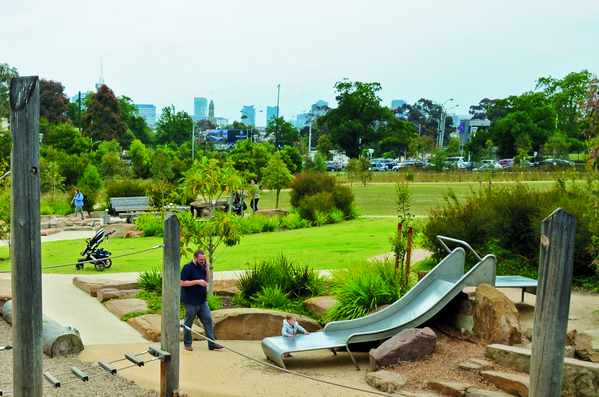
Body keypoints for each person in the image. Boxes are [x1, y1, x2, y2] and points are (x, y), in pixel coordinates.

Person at [180, 249, 223, 351]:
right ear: (195, 258)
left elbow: (207, 280)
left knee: (208, 320)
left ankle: (212, 343)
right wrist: (197, 282)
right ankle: (188, 343)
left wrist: (207, 269)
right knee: (188, 323)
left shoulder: (203, 266)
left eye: (204, 260)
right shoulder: (188, 267)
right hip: (190, 301)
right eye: (200, 260)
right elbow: (182, 282)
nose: (202, 262)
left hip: (202, 302)